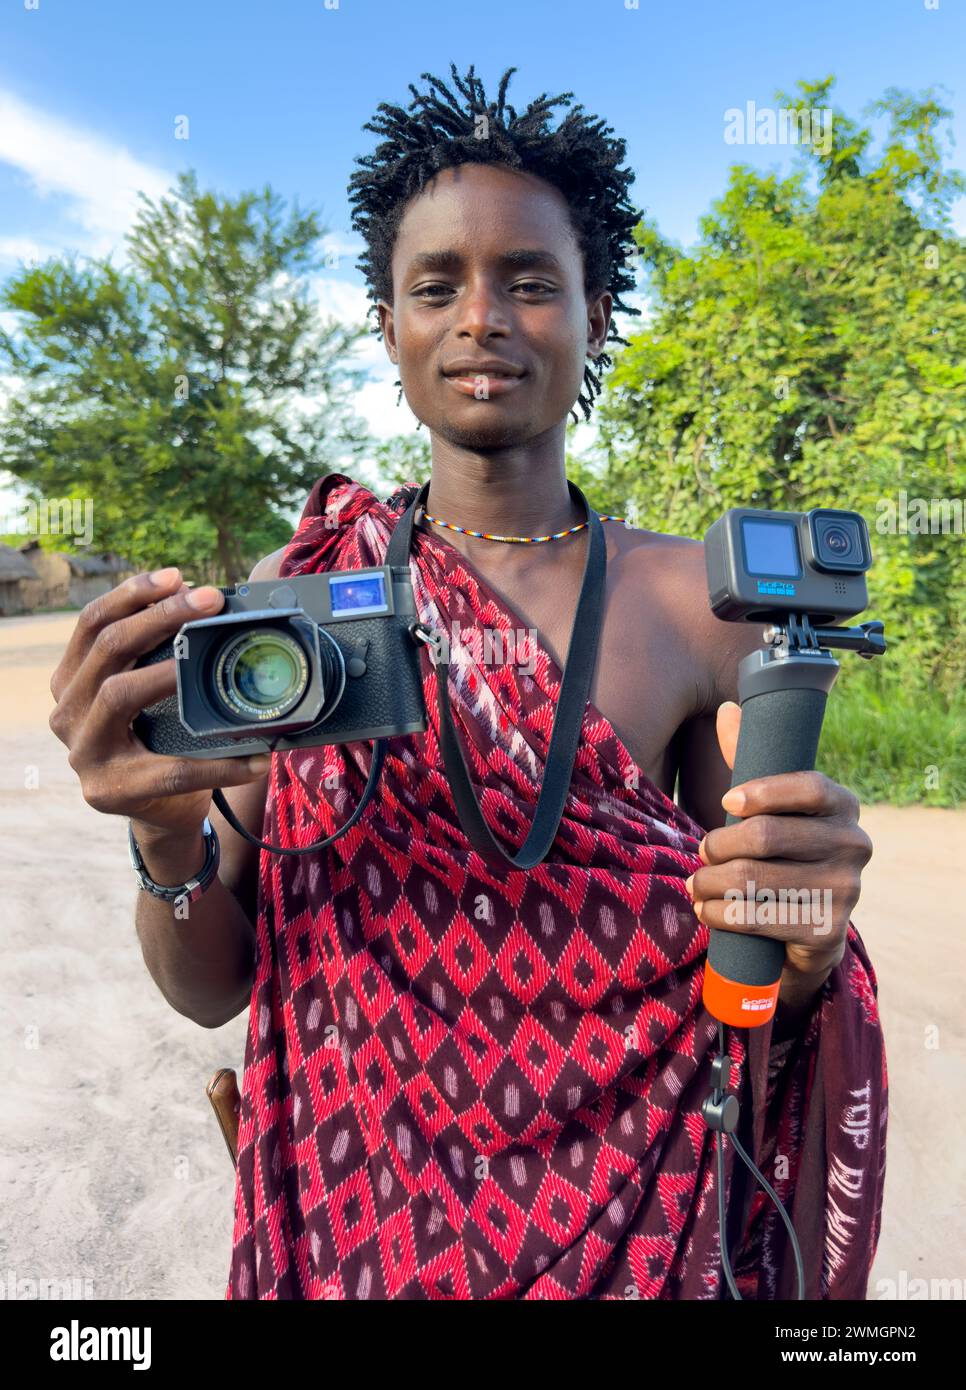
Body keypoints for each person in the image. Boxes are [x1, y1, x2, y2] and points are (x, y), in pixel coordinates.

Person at [49, 63, 886, 1300]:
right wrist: (167, 839)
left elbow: (762, 964)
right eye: (435, 285)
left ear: (598, 314)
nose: (482, 316)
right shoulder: (297, 591)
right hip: (356, 1224)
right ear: (388, 328)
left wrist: (812, 924)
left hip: (636, 1227)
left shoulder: (692, 605)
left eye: (532, 282)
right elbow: (213, 984)